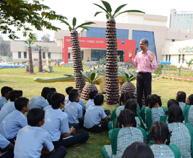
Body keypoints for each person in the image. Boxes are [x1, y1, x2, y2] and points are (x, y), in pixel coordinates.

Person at [129, 38, 158, 108]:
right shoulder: (138, 54)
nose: (140, 45)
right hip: (139, 75)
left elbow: (155, 66)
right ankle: (139, 108)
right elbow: (135, 65)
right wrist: (131, 58)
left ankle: (149, 107)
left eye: (141, 44)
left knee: (148, 93)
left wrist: (151, 61)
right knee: (139, 93)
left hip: (147, 75)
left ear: (146, 44)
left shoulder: (151, 54)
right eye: (139, 44)